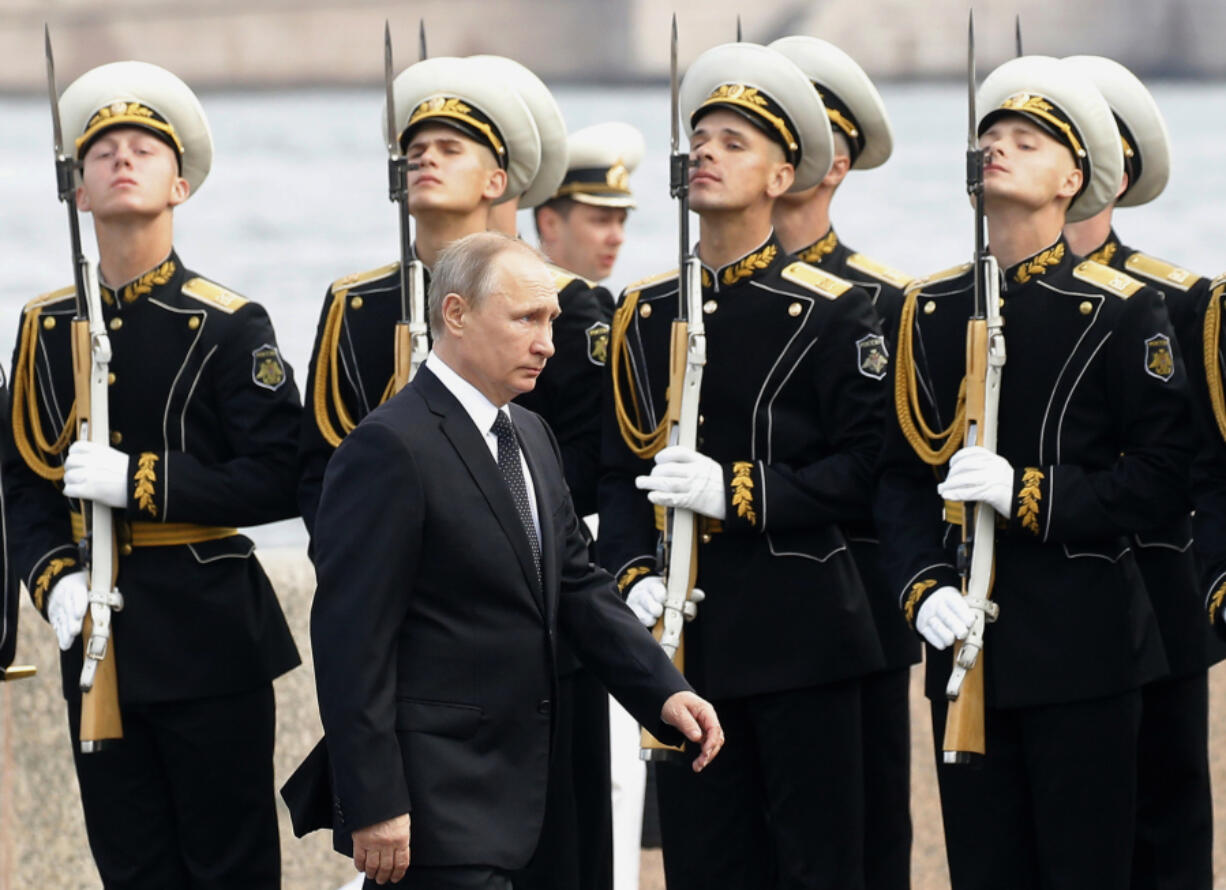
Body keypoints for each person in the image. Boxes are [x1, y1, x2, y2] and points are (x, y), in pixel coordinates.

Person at [287, 231, 723, 890]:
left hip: (531, 798)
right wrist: (374, 802)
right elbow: (353, 643)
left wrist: (662, 691)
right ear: (456, 315)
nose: (548, 341)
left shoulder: (530, 435)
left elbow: (576, 585)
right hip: (436, 803)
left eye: (550, 319)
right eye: (526, 318)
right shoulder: (388, 448)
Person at [875, 55, 1192, 889]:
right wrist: (923, 588)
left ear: (1075, 180)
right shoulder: (928, 308)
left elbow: (1163, 476)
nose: (998, 150)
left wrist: (1027, 493)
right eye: (988, 138)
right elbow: (901, 477)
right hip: (965, 649)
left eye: (1025, 140)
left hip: (1083, 647)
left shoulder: (1125, 311)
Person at [4, 61, 302, 888]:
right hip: (99, 641)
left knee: (228, 867)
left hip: (210, 639)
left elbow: (282, 475)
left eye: (143, 149)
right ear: (78, 193)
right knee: (131, 869)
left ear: (181, 185)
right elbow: (22, 483)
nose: (121, 160)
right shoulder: (44, 325)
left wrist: (140, 480)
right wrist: (52, 578)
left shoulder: (230, 323)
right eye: (101, 153)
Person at [601, 42, 887, 889]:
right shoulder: (644, 311)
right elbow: (619, 469)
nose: (707, 154)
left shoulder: (838, 311)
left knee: (816, 867)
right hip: (690, 646)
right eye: (700, 138)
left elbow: (866, 470)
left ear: (779, 176)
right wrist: (628, 571)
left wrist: (738, 490)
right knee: (704, 866)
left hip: (805, 635)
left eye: (734, 141)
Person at [1060, 54, 1223, 890]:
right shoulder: (971, 305)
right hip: (1034, 601)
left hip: (1157, 595)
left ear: (1111, 172)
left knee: (1164, 821)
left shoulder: (1186, 300)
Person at [768, 36, 918, 890]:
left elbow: (889, 471)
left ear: (836, 158)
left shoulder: (883, 298)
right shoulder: (690, 298)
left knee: (858, 845)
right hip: (739, 608)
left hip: (853, 609)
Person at [299, 55, 543, 532]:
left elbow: (571, 455)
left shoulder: (552, 301)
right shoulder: (354, 305)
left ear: (495, 182)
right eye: (417, 151)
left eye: (450, 149)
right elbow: (320, 463)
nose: (426, 158)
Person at [535, 119, 648, 890]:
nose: (612, 236)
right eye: (596, 218)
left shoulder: (601, 313)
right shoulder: (565, 315)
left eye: (620, 221)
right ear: (548, 219)